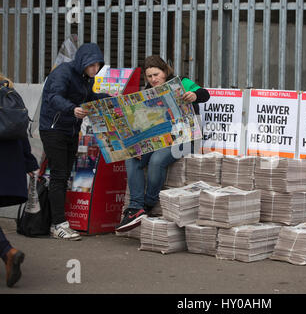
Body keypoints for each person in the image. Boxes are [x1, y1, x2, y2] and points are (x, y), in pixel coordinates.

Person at [115, 55, 210, 232]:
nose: (153, 79)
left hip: (186, 137)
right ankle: (136, 207)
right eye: (149, 76)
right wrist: (136, 145)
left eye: (156, 74)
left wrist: (194, 95)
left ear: (165, 72)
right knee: (132, 158)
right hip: (159, 138)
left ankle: (149, 204)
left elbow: (205, 95)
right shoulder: (146, 92)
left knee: (157, 160)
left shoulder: (181, 81)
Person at [39, 43, 110, 241]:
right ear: (81, 62)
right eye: (91, 65)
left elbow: (90, 97)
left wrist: (110, 99)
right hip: (53, 129)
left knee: (64, 175)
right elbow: (53, 96)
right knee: (59, 175)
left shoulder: (86, 78)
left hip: (71, 130)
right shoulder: (63, 72)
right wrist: (72, 109)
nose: (94, 70)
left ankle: (57, 221)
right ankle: (58, 225)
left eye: (97, 66)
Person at [0, 74, 39, 287]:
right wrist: (29, 162)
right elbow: (21, 129)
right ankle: (8, 253)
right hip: (10, 161)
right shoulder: (7, 89)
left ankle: (8, 252)